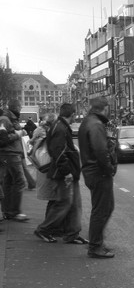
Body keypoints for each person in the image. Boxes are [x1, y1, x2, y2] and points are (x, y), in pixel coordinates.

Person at [33, 104, 86, 244]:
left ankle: (72, 234)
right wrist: (67, 172)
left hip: (68, 172)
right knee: (64, 203)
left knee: (73, 204)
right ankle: (44, 229)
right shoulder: (60, 128)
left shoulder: (60, 126)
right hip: (63, 173)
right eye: (74, 115)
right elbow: (58, 152)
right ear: (72, 114)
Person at [78, 97, 118, 258]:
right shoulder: (96, 124)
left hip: (92, 171)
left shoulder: (89, 121)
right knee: (102, 209)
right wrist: (109, 168)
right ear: (105, 108)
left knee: (105, 208)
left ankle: (97, 242)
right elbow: (100, 150)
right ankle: (95, 246)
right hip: (98, 172)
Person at [0, 99, 30, 222]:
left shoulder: (10, 118)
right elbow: (3, 139)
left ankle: (7, 211)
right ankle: (14, 211)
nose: (21, 109)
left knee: (9, 181)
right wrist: (19, 134)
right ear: (16, 107)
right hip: (10, 154)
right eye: (20, 107)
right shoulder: (5, 119)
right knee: (20, 181)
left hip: (11, 153)